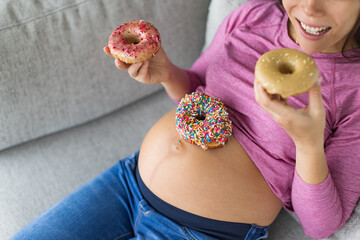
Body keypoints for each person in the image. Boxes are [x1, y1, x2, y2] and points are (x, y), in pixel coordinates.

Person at [12, 0, 360, 239]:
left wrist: (308, 142)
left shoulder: (353, 89)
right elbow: (196, 89)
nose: (310, 7)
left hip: (200, 230)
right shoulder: (253, 16)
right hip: (127, 182)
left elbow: (320, 226)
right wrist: (167, 73)